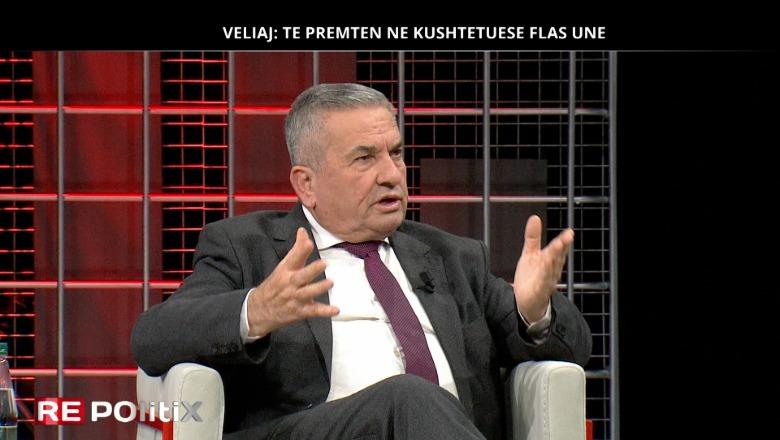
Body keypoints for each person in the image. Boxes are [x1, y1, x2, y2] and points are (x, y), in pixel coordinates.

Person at [132, 83, 591, 440]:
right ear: (306, 183)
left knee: (414, 400)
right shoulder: (247, 246)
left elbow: (576, 351)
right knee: (408, 396)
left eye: (396, 153)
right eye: (364, 158)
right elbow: (153, 339)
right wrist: (256, 310)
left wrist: (534, 315)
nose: (391, 174)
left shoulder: (454, 257)